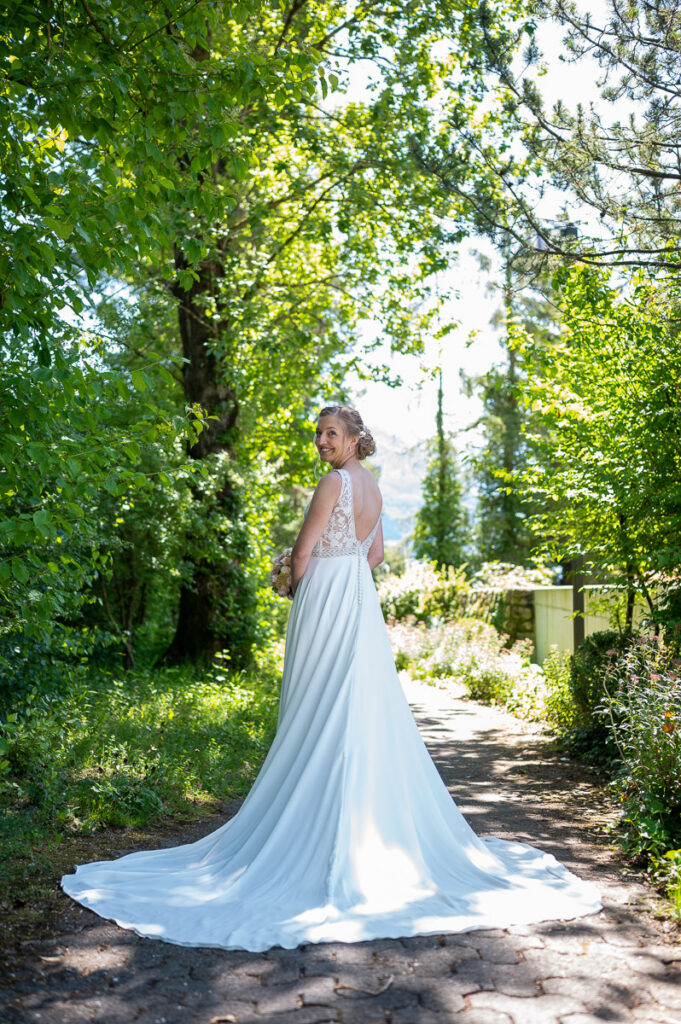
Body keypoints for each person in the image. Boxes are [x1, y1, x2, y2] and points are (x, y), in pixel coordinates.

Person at [61, 404, 601, 951]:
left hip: (324, 598)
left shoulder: (333, 483)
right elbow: (378, 554)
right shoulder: (374, 489)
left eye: (331, 433)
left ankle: (313, 819)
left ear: (354, 438)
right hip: (359, 600)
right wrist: (345, 578)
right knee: (356, 701)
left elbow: (302, 551)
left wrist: (298, 585)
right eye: (319, 433)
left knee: (317, 700)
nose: (322, 441)